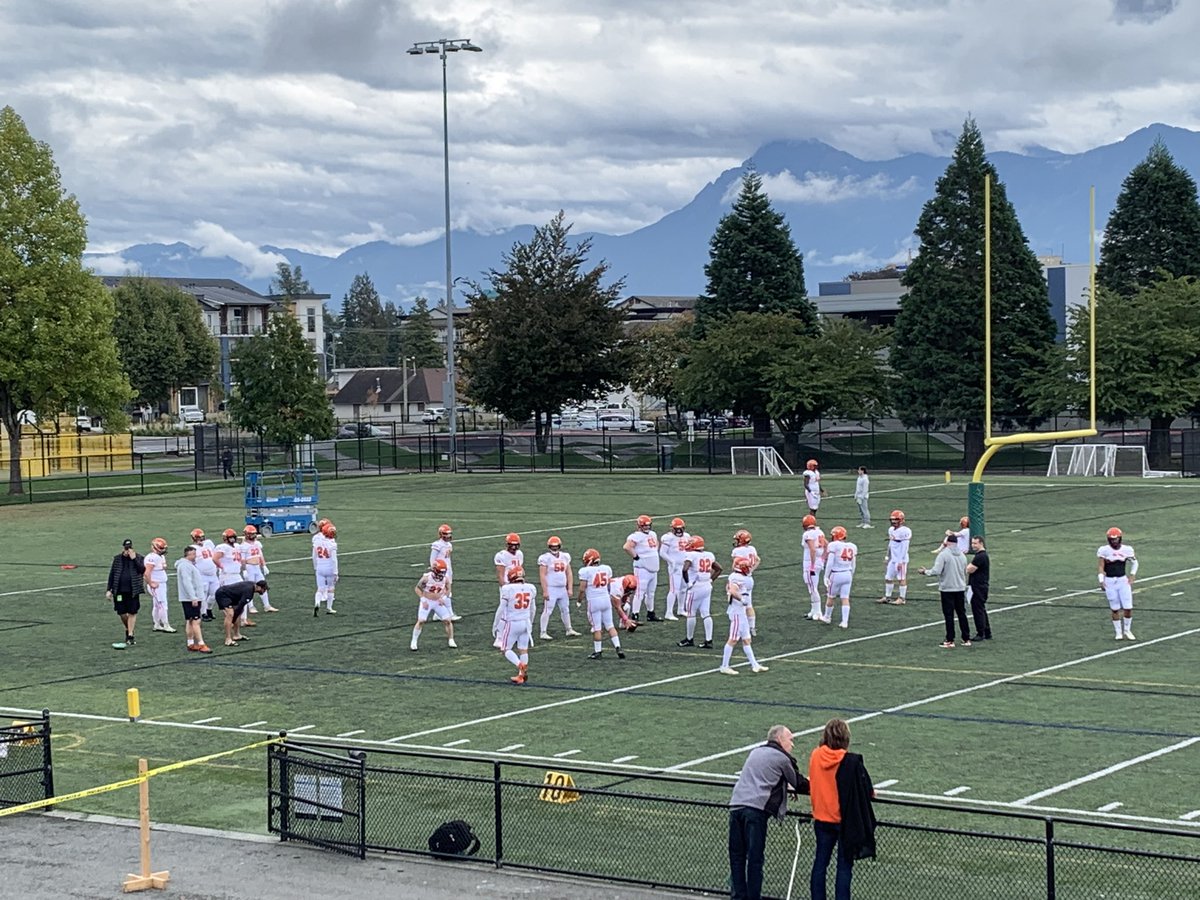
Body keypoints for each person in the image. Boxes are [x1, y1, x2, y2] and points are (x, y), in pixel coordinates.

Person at [728, 724, 809, 900]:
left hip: (736, 805)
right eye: (790, 739)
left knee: (737, 858)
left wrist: (783, 784)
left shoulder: (756, 752)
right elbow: (800, 783)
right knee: (755, 859)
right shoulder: (782, 758)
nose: (792, 745)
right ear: (780, 739)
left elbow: (765, 774)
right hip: (755, 810)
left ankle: (737, 896)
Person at [809, 718, 877, 900]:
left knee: (820, 865)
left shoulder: (816, 755)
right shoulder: (850, 761)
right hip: (843, 821)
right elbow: (868, 791)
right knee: (844, 867)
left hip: (821, 818)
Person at [720, 558, 768, 675]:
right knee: (733, 639)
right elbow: (732, 590)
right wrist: (742, 599)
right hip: (736, 612)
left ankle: (754, 664)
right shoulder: (736, 578)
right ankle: (724, 666)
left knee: (747, 639)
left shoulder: (739, 577)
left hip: (741, 612)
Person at [920, 534, 970, 648]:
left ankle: (950, 639)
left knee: (949, 615)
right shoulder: (962, 555)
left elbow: (937, 570)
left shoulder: (944, 555)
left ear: (947, 542)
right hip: (960, 588)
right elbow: (964, 571)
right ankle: (966, 638)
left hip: (947, 588)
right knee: (962, 613)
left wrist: (925, 572)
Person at [576, 548, 626, 660]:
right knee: (610, 625)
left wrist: (579, 601)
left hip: (594, 601)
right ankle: (618, 647)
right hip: (605, 599)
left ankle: (598, 651)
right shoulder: (606, 569)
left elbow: (582, 589)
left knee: (597, 627)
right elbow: (608, 585)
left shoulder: (585, 571)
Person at [678, 535, 719, 648]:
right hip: (706, 586)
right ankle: (708, 640)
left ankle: (689, 639)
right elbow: (719, 568)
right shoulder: (709, 555)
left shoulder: (691, 555)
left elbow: (685, 569)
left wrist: (688, 583)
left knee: (691, 614)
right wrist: (710, 579)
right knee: (706, 613)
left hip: (695, 587)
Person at [1098, 526, 1138, 640]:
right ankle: (1118, 632)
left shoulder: (1127, 549)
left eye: (1115, 539)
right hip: (1110, 581)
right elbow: (1101, 566)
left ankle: (1127, 630)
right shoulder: (1104, 550)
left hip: (1122, 580)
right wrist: (1101, 580)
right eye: (1111, 539)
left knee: (1128, 607)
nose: (1114, 541)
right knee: (1114, 608)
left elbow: (1135, 563)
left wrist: (1132, 575)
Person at [498, 566, 535, 684]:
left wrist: (496, 624)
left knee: (505, 649)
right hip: (526, 621)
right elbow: (533, 609)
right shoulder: (530, 588)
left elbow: (501, 609)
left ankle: (520, 665)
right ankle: (521, 676)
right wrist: (531, 622)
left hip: (513, 622)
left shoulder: (508, 588)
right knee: (523, 649)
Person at [538, 536, 580, 639]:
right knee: (548, 610)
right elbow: (542, 575)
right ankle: (543, 632)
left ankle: (569, 629)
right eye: (553, 546)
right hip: (551, 588)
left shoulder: (565, 556)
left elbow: (569, 573)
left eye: (556, 546)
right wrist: (545, 590)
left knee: (565, 609)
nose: (555, 548)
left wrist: (569, 588)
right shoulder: (545, 558)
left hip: (562, 588)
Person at [410, 559, 457, 651]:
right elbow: (417, 588)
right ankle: (414, 641)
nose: (441, 575)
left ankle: (451, 639)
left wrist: (443, 598)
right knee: (421, 621)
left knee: (447, 620)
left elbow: (448, 589)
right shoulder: (427, 578)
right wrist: (423, 600)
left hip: (437, 602)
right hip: (427, 601)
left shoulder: (445, 579)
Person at [106, 539, 144, 649]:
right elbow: (112, 574)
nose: (128, 550)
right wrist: (109, 589)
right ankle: (128, 628)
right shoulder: (117, 559)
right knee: (121, 612)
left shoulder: (139, 557)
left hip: (133, 590)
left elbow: (142, 570)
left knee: (132, 611)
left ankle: (130, 635)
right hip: (119, 590)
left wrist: (134, 559)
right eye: (126, 548)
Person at [623, 515, 661, 621]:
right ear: (639, 526)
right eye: (645, 526)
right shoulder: (636, 536)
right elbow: (626, 547)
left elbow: (656, 545)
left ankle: (650, 613)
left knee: (651, 593)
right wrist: (636, 557)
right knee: (640, 592)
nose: (647, 528)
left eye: (648, 526)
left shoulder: (652, 534)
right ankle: (635, 614)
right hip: (642, 569)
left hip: (653, 569)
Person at [175, 545, 211, 653]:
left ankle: (190, 643)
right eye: (194, 554)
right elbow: (187, 582)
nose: (195, 556)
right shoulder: (185, 566)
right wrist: (193, 597)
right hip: (191, 598)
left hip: (189, 597)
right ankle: (201, 643)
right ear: (189, 554)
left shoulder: (186, 565)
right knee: (196, 620)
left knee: (190, 620)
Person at [822, 526, 857, 629]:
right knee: (845, 598)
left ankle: (827, 617)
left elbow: (830, 562)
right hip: (848, 573)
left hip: (836, 574)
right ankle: (844, 622)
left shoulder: (834, 545)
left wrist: (825, 576)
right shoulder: (852, 546)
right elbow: (854, 564)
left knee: (831, 596)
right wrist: (851, 574)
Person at [214, 579, 268, 647]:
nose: (264, 591)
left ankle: (237, 635)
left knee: (239, 612)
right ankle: (228, 639)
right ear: (259, 587)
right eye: (264, 589)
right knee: (230, 614)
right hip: (223, 594)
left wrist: (234, 620)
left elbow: (239, 608)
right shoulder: (249, 592)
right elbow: (239, 607)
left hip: (232, 596)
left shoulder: (252, 586)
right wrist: (232, 621)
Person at [492, 533, 524, 647]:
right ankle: (499, 637)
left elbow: (521, 570)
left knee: (515, 611)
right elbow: (500, 575)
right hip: (507, 587)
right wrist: (505, 587)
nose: (514, 548)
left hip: (517, 586)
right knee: (504, 612)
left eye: (516, 545)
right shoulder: (502, 555)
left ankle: (510, 634)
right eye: (511, 545)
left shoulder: (520, 554)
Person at [659, 517, 690, 621]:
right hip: (675, 567)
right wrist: (671, 561)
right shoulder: (668, 538)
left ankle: (681, 609)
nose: (679, 531)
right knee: (674, 590)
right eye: (677, 529)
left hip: (684, 566)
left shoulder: (687, 536)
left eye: (681, 529)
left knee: (684, 588)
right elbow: (662, 553)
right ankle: (669, 612)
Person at [878, 510, 911, 605]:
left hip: (901, 559)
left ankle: (902, 598)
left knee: (901, 578)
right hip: (893, 558)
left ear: (901, 520)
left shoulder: (905, 531)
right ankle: (887, 596)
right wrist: (887, 556)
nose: (893, 522)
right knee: (888, 577)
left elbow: (905, 547)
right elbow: (890, 544)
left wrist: (900, 561)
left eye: (896, 520)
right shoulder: (891, 530)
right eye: (892, 520)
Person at [430, 523, 462, 621]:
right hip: (441, 571)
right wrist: (435, 570)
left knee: (445, 592)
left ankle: (438, 613)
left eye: (449, 534)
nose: (448, 536)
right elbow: (432, 559)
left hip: (448, 570)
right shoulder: (437, 545)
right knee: (447, 592)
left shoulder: (449, 545)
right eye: (446, 534)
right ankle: (449, 614)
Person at [731, 530, 760, 635]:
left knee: (740, 604)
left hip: (740, 578)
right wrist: (751, 570)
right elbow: (758, 560)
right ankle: (752, 627)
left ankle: (740, 628)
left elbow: (734, 565)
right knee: (749, 604)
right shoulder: (752, 549)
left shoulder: (737, 551)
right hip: (749, 578)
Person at [241, 525, 277, 612]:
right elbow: (242, 559)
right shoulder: (243, 546)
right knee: (250, 588)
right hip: (249, 567)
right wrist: (244, 570)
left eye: (254, 534)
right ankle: (251, 606)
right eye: (251, 534)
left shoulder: (257, 543)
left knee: (263, 586)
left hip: (257, 567)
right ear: (247, 535)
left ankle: (267, 605)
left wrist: (264, 565)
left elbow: (260, 555)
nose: (254, 536)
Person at [144, 537, 175, 633]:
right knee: (162, 605)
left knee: (157, 605)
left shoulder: (160, 557)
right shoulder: (152, 558)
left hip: (161, 583)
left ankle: (157, 624)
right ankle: (166, 625)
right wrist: (150, 583)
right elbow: (146, 573)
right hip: (157, 584)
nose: (163, 550)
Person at [190, 528, 220, 621]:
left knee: (215, 594)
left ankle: (209, 609)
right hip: (202, 575)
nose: (201, 539)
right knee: (203, 594)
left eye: (202, 537)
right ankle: (203, 613)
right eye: (199, 538)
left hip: (213, 574)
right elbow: (190, 562)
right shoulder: (192, 548)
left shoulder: (209, 544)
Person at [802, 515, 827, 621]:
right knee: (812, 587)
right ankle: (813, 610)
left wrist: (812, 565)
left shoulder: (808, 534)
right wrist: (823, 559)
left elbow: (812, 550)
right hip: (818, 562)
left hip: (810, 563)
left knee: (812, 588)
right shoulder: (819, 532)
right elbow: (827, 545)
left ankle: (818, 611)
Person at [967, 535, 992, 641]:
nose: (973, 545)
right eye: (972, 543)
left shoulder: (980, 556)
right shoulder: (981, 555)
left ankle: (980, 633)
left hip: (978, 587)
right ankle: (987, 632)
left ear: (981, 543)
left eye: (975, 543)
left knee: (978, 610)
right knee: (981, 609)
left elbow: (969, 569)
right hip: (980, 586)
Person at [312, 520, 339, 616]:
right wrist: (336, 572)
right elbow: (334, 560)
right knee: (331, 587)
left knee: (320, 588)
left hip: (320, 567)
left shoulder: (317, 541)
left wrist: (315, 567)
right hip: (329, 568)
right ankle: (329, 608)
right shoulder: (332, 544)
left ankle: (317, 603)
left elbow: (314, 556)